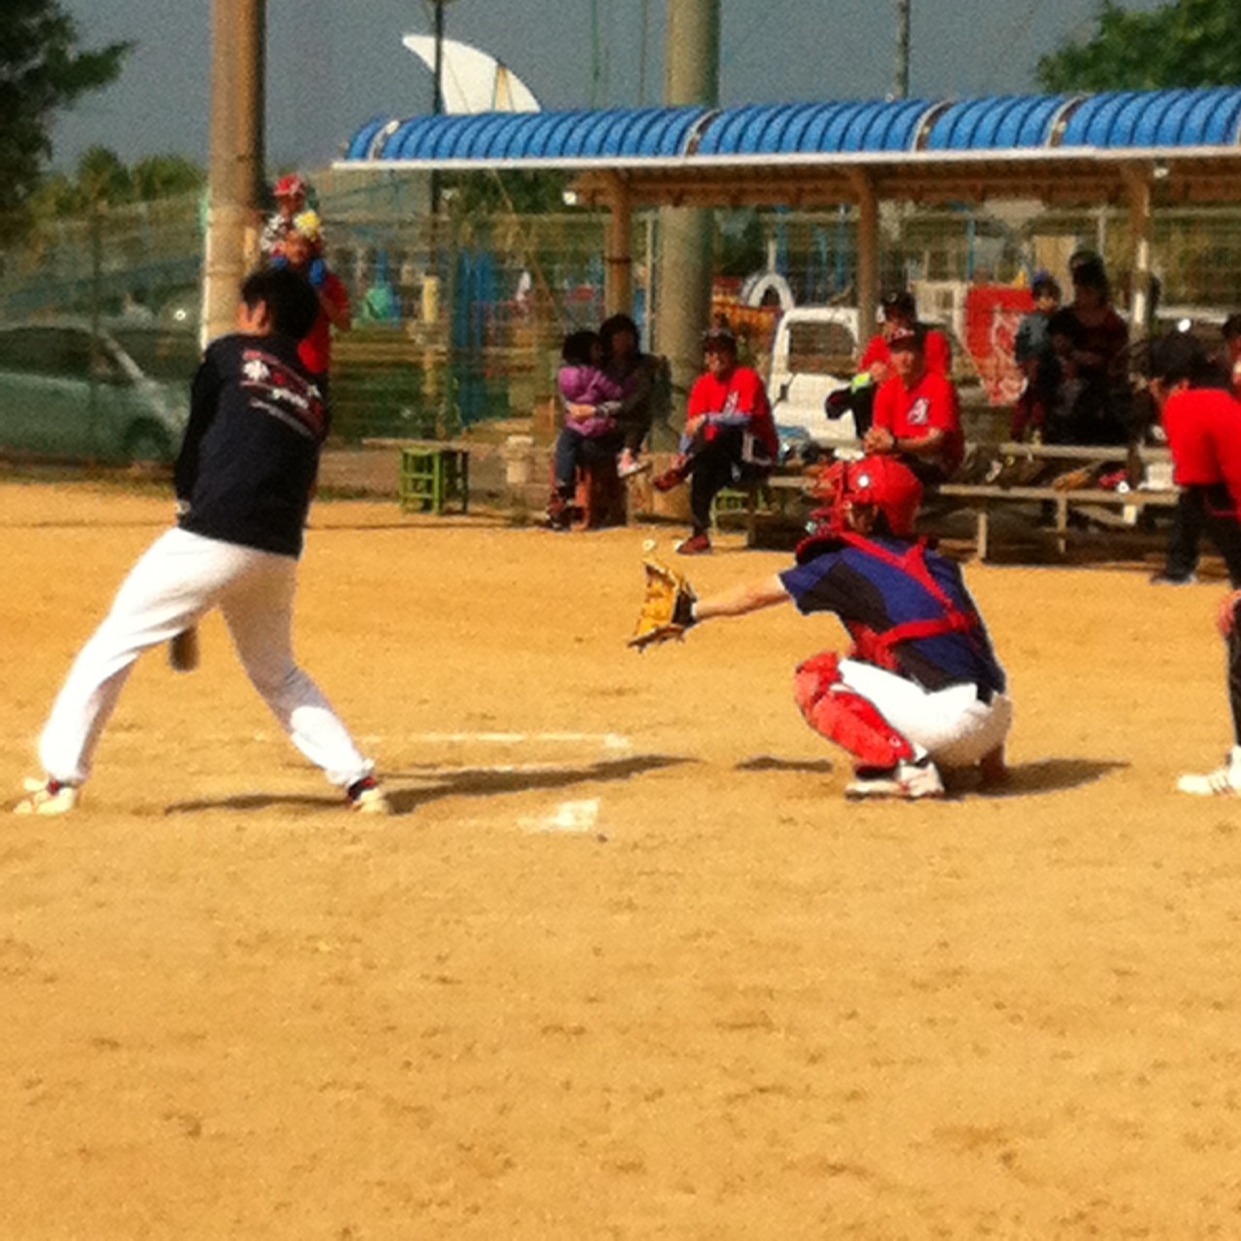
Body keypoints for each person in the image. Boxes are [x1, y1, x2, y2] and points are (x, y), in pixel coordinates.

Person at [14, 266, 389, 817]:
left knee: (113, 642)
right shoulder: (313, 396)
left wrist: (187, 504)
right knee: (278, 672)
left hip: (215, 532)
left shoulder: (229, 354)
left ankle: (60, 781)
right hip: (279, 547)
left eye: (246, 309)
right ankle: (361, 783)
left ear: (260, 314)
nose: (241, 317)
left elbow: (196, 440)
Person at [664, 455, 1011, 799]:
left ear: (870, 514)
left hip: (951, 725)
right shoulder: (938, 563)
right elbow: (980, 654)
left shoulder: (846, 563)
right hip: (994, 720)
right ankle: (948, 759)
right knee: (867, 655)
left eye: (850, 503)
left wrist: (692, 611)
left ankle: (905, 768)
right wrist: (992, 760)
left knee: (816, 676)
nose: (841, 509)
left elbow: (754, 595)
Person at [1147, 329, 1241, 795]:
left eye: (1156, 384)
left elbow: (1214, 504)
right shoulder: (1224, 396)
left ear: (1177, 384)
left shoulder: (1186, 407)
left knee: (1239, 630)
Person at [652, 325, 779, 556]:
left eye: (721, 351)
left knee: (726, 435)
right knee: (702, 469)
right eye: (710, 352)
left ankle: (684, 471)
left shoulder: (746, 377)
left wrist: (709, 418)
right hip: (722, 456)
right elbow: (692, 428)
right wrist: (683, 454)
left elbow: (744, 419)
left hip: (755, 456)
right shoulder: (703, 384)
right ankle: (699, 535)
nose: (716, 357)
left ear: (732, 354)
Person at [1151, 316, 1240, 585]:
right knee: (1195, 500)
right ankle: (1179, 566)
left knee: (1207, 503)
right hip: (1226, 462)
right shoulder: (1215, 388)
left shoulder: (1191, 401)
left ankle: (1182, 568)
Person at [863, 324, 964, 485]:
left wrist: (896, 444)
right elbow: (881, 432)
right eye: (898, 351)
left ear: (922, 354)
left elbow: (935, 442)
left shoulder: (939, 386)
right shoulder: (887, 390)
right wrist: (874, 443)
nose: (904, 358)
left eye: (910, 351)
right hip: (899, 460)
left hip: (934, 462)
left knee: (890, 478)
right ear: (890, 356)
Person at [547, 328, 627, 529]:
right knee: (580, 447)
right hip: (599, 431)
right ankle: (574, 499)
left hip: (575, 427)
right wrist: (598, 410)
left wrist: (573, 409)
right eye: (596, 349)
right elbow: (617, 396)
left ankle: (563, 488)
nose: (600, 353)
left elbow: (565, 400)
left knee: (566, 443)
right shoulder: (597, 375)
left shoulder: (563, 375)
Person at [274, 211, 351, 396]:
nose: (298, 250)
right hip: (279, 366)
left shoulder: (329, 283)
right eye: (293, 244)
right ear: (284, 247)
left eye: (303, 244)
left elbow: (345, 325)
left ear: (313, 248)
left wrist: (319, 296)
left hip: (313, 369)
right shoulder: (272, 281)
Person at [1057, 256, 1131, 445]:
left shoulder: (1112, 323)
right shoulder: (1065, 318)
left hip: (1101, 397)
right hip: (1065, 397)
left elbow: (1116, 359)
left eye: (1088, 291)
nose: (1082, 296)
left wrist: (1082, 357)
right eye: (1079, 290)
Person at [600, 312, 660, 478]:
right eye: (619, 336)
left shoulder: (640, 365)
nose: (625, 341)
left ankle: (627, 456)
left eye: (628, 335)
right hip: (601, 418)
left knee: (638, 421)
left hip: (629, 418)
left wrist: (620, 408)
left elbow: (642, 392)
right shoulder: (601, 366)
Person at [857, 290, 953, 386]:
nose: (895, 322)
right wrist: (869, 377)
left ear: (912, 317)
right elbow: (855, 383)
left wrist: (892, 377)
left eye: (900, 316)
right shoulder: (877, 344)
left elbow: (939, 382)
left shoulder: (932, 341)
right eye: (890, 317)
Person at [1010, 274, 1062, 442]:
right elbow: (1021, 344)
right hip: (1036, 367)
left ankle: (1041, 431)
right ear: (1037, 300)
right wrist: (1024, 362)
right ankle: (1022, 434)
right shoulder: (1031, 322)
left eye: (1054, 297)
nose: (1051, 302)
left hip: (1053, 368)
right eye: (1046, 297)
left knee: (1046, 403)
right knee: (1031, 402)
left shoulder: (1060, 320)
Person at [260, 173, 311, 259]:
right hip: (283, 260)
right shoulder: (275, 223)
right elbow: (264, 243)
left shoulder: (307, 221)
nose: (284, 204)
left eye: (298, 199)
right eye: (282, 200)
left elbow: (318, 242)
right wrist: (278, 248)